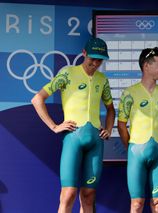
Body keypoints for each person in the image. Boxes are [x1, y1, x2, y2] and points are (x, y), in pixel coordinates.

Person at [31, 37, 115, 213]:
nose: (96, 62)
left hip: (95, 143)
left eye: (100, 59)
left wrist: (108, 129)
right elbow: (37, 99)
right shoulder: (68, 74)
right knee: (68, 193)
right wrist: (54, 126)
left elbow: (111, 110)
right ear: (84, 53)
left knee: (89, 194)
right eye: (92, 58)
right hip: (73, 140)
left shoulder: (102, 80)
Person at [117, 47, 158, 213]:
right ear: (146, 66)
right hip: (136, 153)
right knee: (137, 204)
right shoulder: (129, 93)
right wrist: (132, 148)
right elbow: (121, 124)